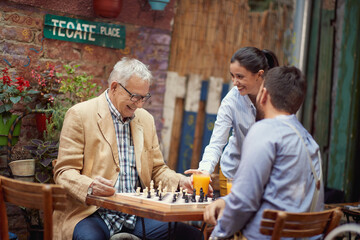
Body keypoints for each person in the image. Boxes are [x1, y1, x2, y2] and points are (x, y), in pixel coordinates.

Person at [53, 57, 201, 240]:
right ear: (114, 87)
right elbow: (64, 172)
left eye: (144, 98)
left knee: (190, 235)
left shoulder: (145, 119)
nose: (139, 104)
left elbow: (157, 170)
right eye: (135, 96)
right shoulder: (80, 114)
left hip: (135, 216)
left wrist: (180, 182)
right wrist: (90, 186)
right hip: (92, 213)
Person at [204, 66, 324, 239]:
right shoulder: (310, 142)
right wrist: (225, 201)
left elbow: (244, 202)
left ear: (263, 95)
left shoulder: (264, 131)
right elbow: (276, 193)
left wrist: (217, 235)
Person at [185, 47, 279, 196]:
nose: (235, 82)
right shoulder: (231, 101)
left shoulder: (277, 99)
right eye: (232, 76)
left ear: (259, 75)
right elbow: (216, 143)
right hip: (233, 175)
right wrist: (204, 170)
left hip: (266, 177)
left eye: (240, 77)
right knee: (230, 218)